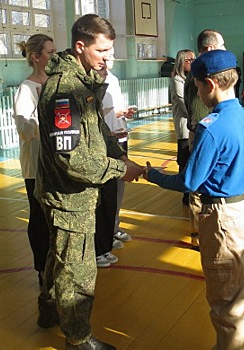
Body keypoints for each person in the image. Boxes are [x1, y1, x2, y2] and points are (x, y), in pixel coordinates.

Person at [34, 14, 144, 350]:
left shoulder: (82, 81)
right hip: (69, 196)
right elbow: (72, 158)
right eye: (103, 50)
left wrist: (120, 156)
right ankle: (78, 339)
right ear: (81, 46)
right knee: (78, 272)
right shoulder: (65, 90)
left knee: (60, 256)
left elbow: (98, 130)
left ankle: (50, 308)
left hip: (73, 195)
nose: (108, 57)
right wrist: (117, 169)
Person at [144, 50, 244, 350]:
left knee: (227, 301)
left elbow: (189, 181)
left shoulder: (212, 128)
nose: (197, 92)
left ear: (210, 84)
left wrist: (150, 175)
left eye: (197, 86)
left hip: (224, 220)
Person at [12, 34, 55, 286]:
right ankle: (41, 267)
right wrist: (45, 117)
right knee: (39, 215)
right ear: (36, 57)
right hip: (36, 163)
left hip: (55, 161)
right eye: (49, 52)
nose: (53, 56)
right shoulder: (26, 89)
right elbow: (25, 130)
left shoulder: (55, 83)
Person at [183, 29, 226, 249]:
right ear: (210, 49)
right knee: (198, 187)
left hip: (207, 133)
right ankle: (199, 235)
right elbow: (200, 114)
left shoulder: (203, 71)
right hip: (202, 135)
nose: (224, 50)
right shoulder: (198, 74)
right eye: (222, 45)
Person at [94, 58, 135, 268]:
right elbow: (98, 115)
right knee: (105, 192)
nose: (106, 61)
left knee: (116, 189)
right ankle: (102, 240)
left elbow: (112, 110)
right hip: (103, 143)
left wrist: (122, 116)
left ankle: (112, 228)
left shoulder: (114, 80)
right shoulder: (88, 84)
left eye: (109, 56)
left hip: (117, 137)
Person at [170, 49, 195, 205]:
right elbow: (184, 104)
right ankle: (186, 194)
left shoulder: (191, 79)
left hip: (193, 126)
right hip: (185, 128)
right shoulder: (177, 80)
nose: (193, 62)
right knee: (184, 160)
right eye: (189, 60)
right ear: (181, 62)